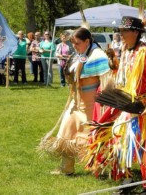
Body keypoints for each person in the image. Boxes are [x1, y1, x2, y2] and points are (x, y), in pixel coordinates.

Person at [84, 16, 146, 194]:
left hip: (145, 109)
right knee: (121, 143)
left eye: (124, 31)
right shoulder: (126, 50)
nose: (120, 34)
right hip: (128, 106)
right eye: (120, 31)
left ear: (136, 32)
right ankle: (127, 181)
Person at [39, 27, 111, 176]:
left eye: (77, 43)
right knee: (67, 130)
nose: (74, 47)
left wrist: (104, 105)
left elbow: (107, 83)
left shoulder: (98, 56)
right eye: (73, 44)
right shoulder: (79, 54)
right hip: (76, 103)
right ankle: (67, 167)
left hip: (91, 105)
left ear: (87, 41)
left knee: (91, 136)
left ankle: (97, 168)